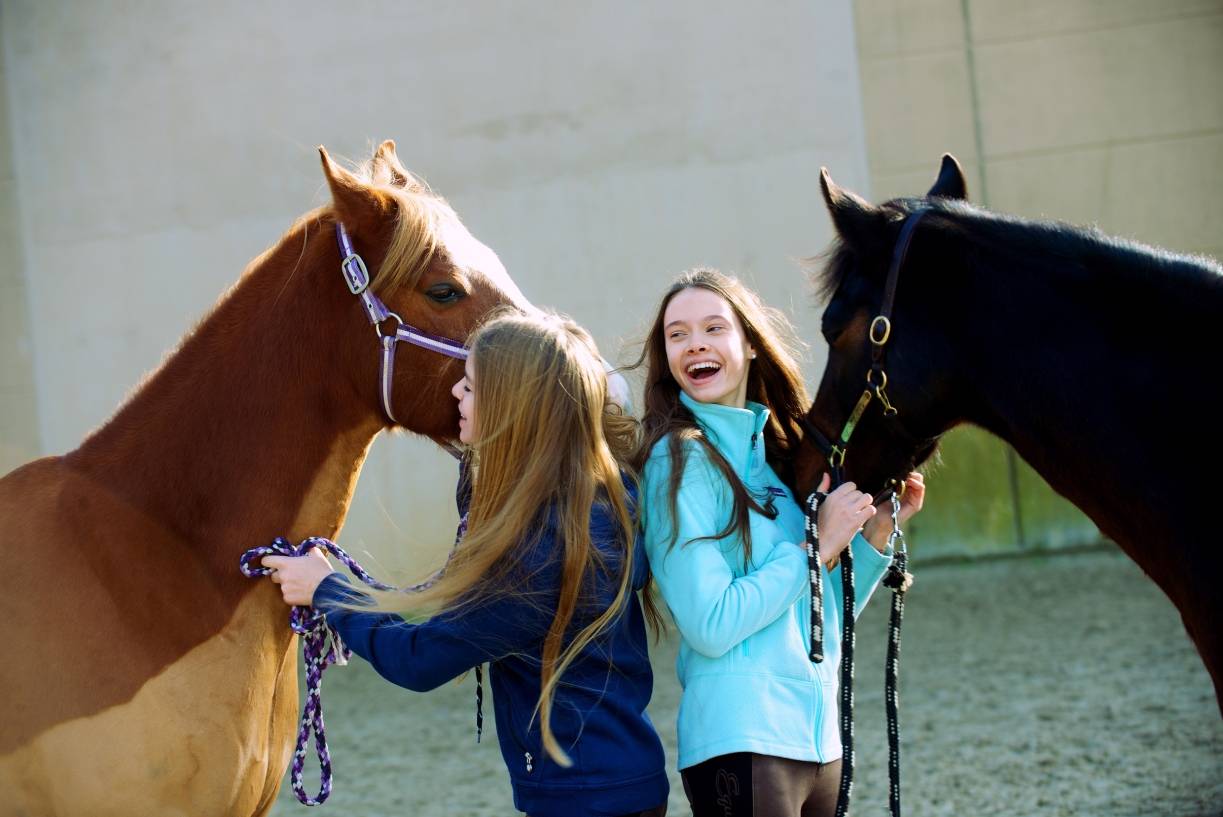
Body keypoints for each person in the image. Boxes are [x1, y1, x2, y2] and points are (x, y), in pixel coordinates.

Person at [263, 311, 669, 817]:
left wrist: (329, 591)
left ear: (513, 409)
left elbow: (419, 658)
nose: (456, 393)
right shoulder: (600, 498)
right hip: (621, 782)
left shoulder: (535, 559)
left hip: (582, 799)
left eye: (472, 387)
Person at [635, 268, 925, 817]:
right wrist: (815, 551)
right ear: (668, 359)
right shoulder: (679, 463)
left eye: (713, 328)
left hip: (818, 742)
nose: (695, 342)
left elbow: (820, 616)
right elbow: (711, 622)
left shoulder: (776, 465)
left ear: (748, 345)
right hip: (741, 740)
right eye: (677, 334)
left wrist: (872, 537)